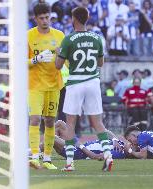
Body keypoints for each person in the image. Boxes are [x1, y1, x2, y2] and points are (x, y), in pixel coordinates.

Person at [55, 7, 113, 172]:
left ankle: (69, 163)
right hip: (93, 82)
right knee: (97, 122)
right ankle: (108, 155)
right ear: (87, 18)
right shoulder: (97, 38)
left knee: (70, 123)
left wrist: (59, 53)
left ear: (74, 18)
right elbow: (101, 63)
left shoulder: (69, 39)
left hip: (75, 82)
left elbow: (58, 66)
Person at [27, 3, 65, 170]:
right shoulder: (28, 36)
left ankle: (47, 159)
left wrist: (59, 55)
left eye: (47, 17)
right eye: (41, 18)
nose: (45, 21)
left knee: (50, 121)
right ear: (35, 19)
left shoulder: (59, 35)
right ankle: (35, 157)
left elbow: (65, 62)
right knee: (35, 118)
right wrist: (36, 59)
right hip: (35, 85)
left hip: (54, 85)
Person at [53, 120, 126, 160]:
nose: (130, 143)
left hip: (79, 152)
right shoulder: (119, 143)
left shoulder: (119, 152)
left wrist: (81, 147)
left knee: (53, 138)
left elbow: (96, 156)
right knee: (60, 124)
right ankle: (42, 150)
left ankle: (43, 151)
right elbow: (104, 131)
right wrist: (115, 139)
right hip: (80, 145)